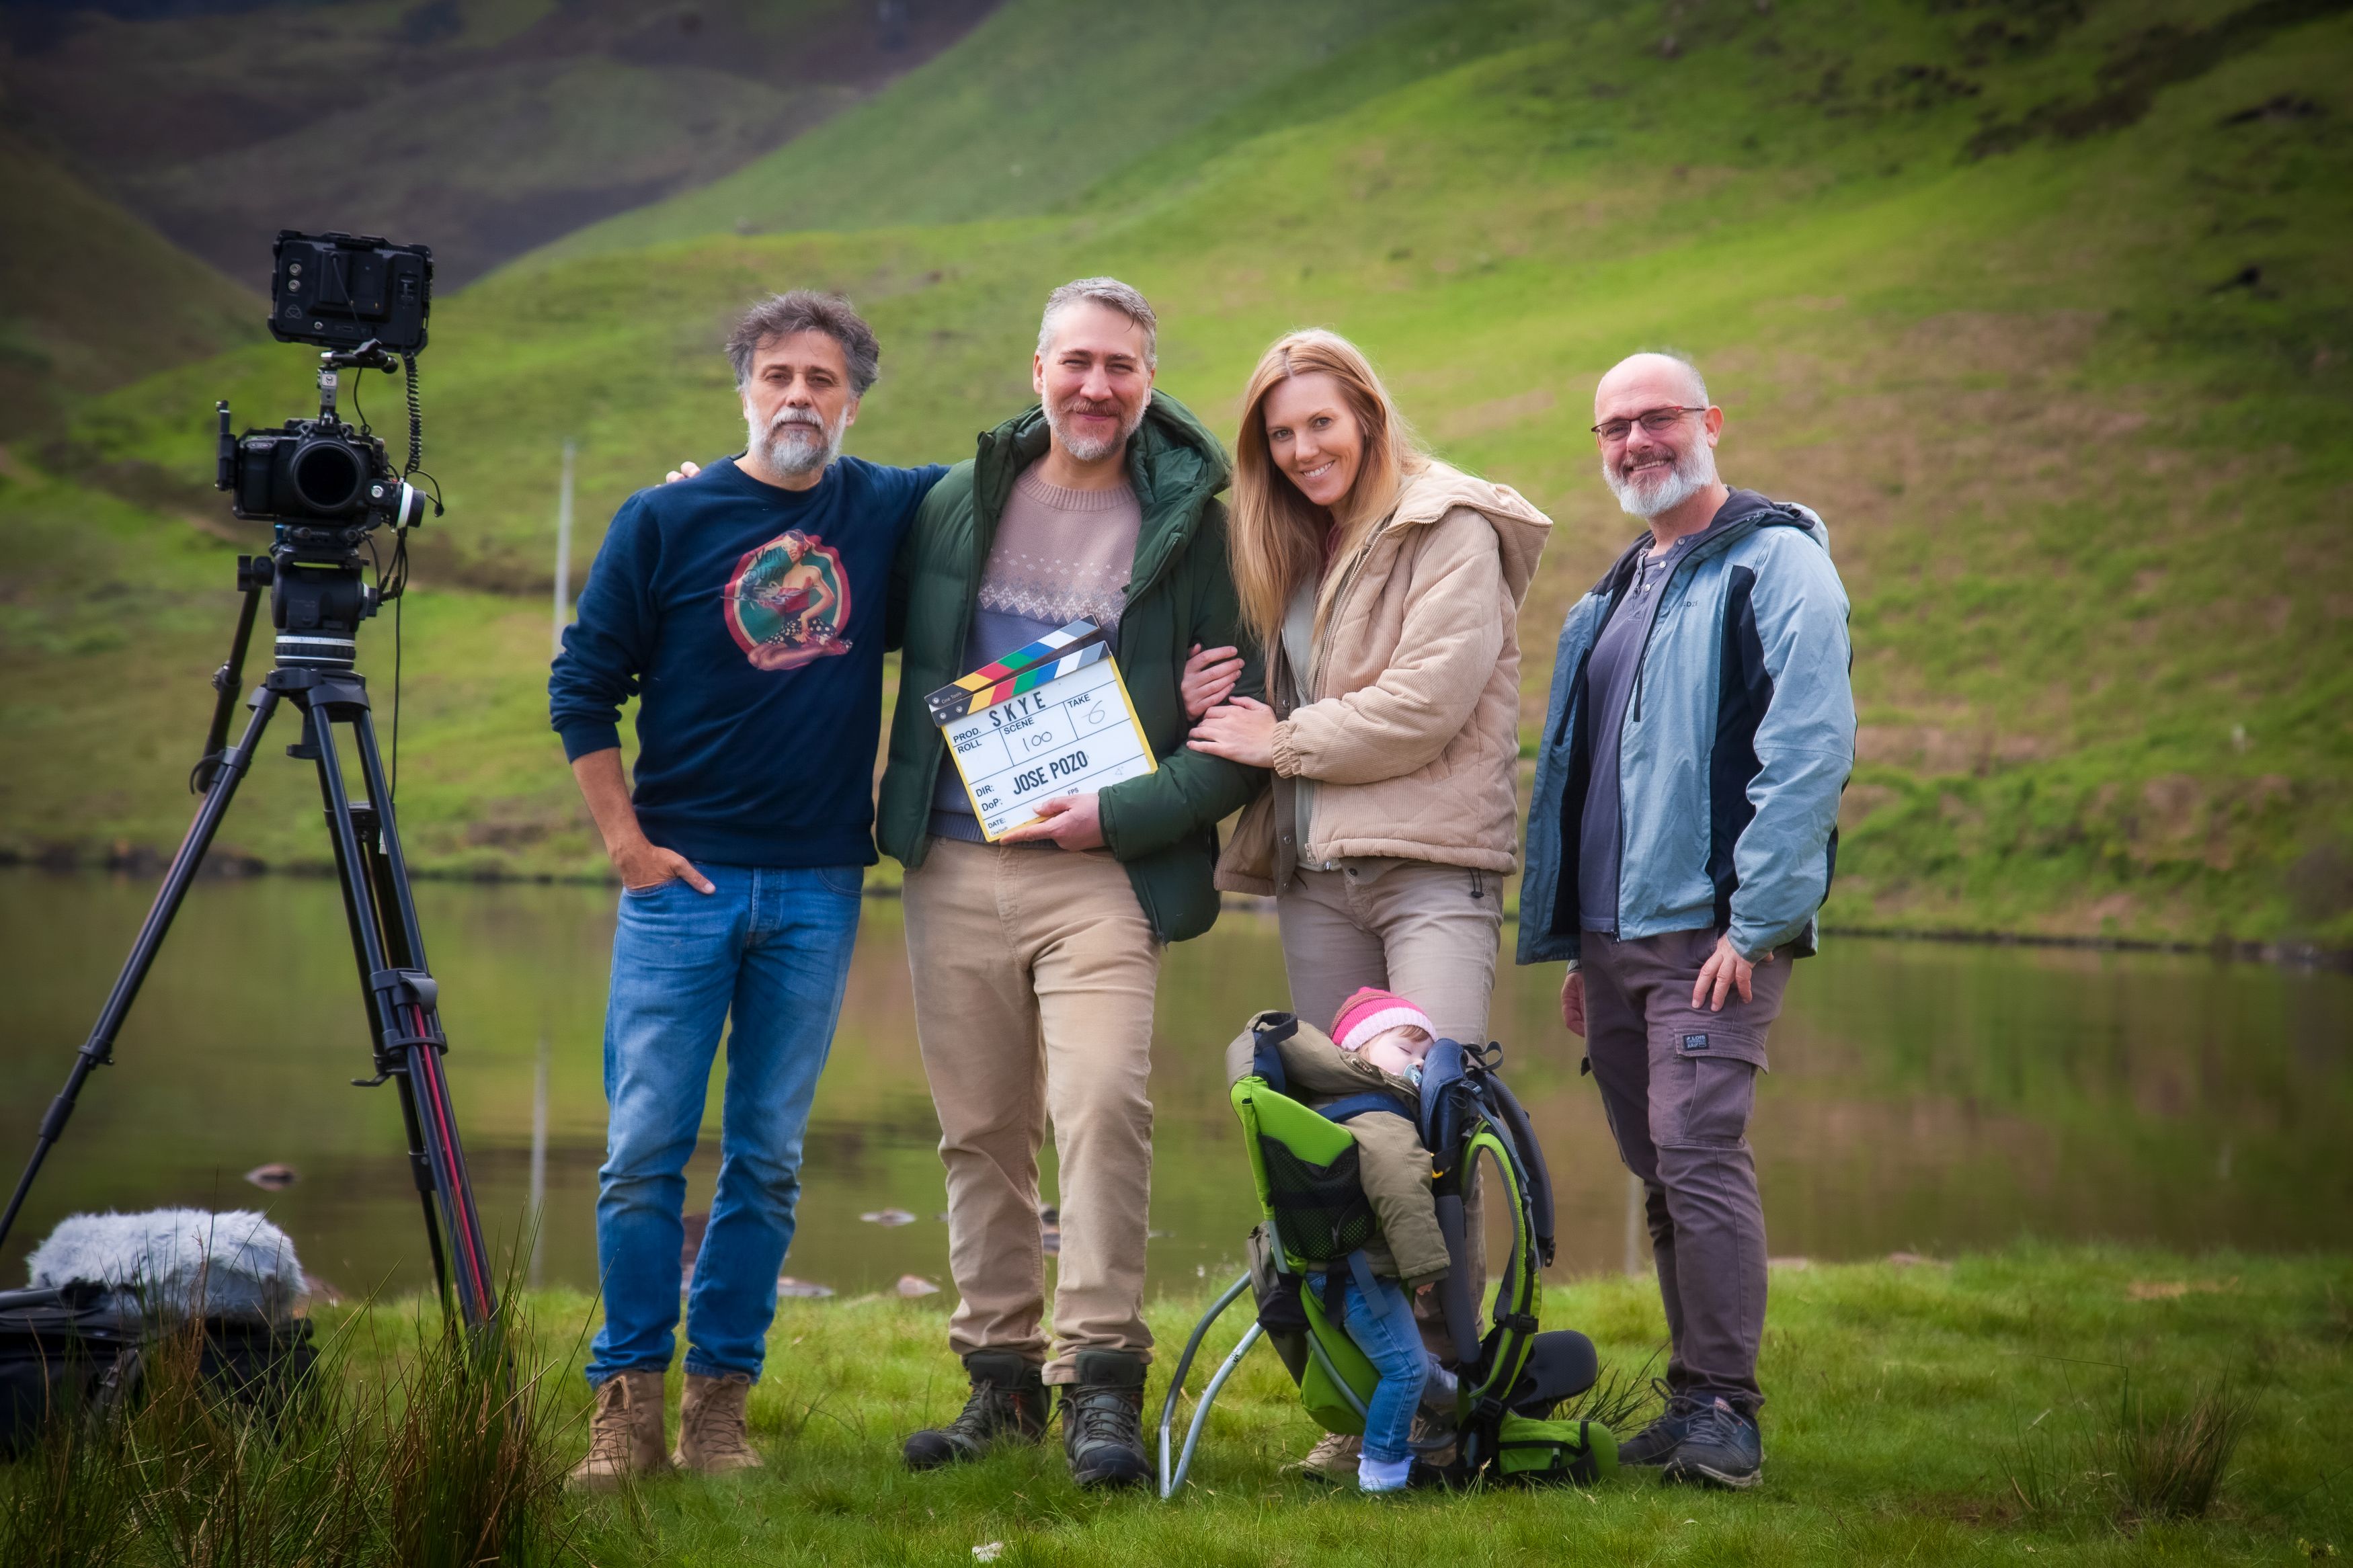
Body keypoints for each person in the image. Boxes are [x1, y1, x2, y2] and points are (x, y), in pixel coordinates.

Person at [548, 292, 946, 1487]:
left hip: (820, 885)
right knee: (643, 1153)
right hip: (682, 883)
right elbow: (582, 687)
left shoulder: (885, 504)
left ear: (854, 402)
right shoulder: (663, 519)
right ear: (744, 390)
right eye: (778, 375)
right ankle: (625, 1410)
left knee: (766, 1158)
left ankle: (719, 1412)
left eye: (822, 380)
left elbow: (1032, 463)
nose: (798, 397)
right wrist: (626, 844)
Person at [878, 279, 1265, 1488]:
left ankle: (1101, 1378)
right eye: (1077, 362)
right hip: (952, 860)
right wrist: (718, 509)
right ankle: (998, 1381)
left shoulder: (1197, 528)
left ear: (1149, 380)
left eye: (1121, 366)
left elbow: (1240, 734)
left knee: (1102, 1107)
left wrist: (1123, 813)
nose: (1097, 386)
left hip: (1103, 871)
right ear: (1037, 369)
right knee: (979, 1130)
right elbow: (829, 588)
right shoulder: (953, 503)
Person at [1182, 327, 1550, 1480]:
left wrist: (1282, 738)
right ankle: (1367, 1402)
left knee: (1433, 1134)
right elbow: (1279, 696)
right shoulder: (1293, 543)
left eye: (1320, 424)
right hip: (1317, 872)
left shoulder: (1451, 526)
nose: (1302, 450)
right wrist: (1219, 694)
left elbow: (1428, 701)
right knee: (1344, 1145)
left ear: (1369, 416)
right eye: (1280, 435)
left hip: (1429, 866)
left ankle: (1443, 1407)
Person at [1519, 351, 1855, 1490]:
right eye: (1613, 427)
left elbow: (1809, 748)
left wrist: (1756, 924)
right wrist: (1580, 944)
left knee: (1700, 1151)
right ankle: (1690, 1396)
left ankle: (1727, 1414)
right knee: (1662, 1164)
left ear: (1710, 420)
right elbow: (1587, 780)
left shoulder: (1777, 562)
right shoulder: (1614, 592)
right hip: (1615, 940)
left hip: (1715, 937)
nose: (1636, 442)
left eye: (1656, 417)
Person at [1226, 987, 1460, 1495]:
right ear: (1358, 1052)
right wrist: (1425, 1266)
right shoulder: (1382, 1117)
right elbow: (1402, 1187)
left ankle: (1451, 1397)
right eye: (1405, 1049)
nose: (1420, 1064)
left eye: (1425, 1054)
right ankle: (1382, 1473)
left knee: (1406, 1361)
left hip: (1328, 1268)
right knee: (1404, 1371)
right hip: (1362, 1278)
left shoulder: (1327, 1099)